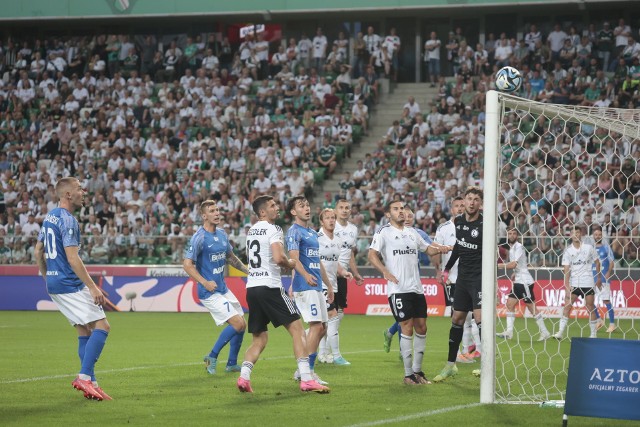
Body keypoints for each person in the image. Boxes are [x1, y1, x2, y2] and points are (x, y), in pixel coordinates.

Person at [237, 195, 328, 393]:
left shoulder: (251, 231)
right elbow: (278, 258)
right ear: (262, 212)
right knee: (297, 330)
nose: (277, 208)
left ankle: (244, 377)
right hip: (270, 287)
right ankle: (306, 378)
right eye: (272, 206)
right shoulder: (273, 229)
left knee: (259, 339)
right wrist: (290, 264)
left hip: (252, 288)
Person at [34, 177, 112, 401]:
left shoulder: (50, 217)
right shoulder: (68, 220)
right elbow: (72, 257)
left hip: (55, 284)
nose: (83, 192)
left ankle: (92, 384)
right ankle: (85, 377)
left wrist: (46, 275)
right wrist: (93, 287)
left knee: (83, 331)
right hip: (69, 283)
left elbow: (39, 249)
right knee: (103, 326)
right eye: (79, 189)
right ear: (68, 195)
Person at [368, 199, 452, 385]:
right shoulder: (383, 232)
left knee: (422, 327)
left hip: (416, 288)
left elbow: (428, 249)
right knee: (406, 326)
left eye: (403, 209)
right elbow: (372, 254)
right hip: (398, 289)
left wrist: (442, 248)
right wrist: (385, 271)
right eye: (396, 209)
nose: (401, 212)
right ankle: (408, 375)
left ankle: (418, 371)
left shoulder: (413, 233)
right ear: (388, 214)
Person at [183, 200, 248, 375]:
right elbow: (187, 265)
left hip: (223, 288)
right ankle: (212, 356)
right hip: (208, 292)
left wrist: (246, 270)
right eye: (212, 211)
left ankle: (232, 363)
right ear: (204, 216)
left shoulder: (222, 234)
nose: (217, 213)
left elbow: (231, 257)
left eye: (218, 209)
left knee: (242, 323)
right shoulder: (199, 238)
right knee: (237, 323)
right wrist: (204, 282)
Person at [433, 186, 484, 382]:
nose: (471, 203)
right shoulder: (459, 222)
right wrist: (446, 271)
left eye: (475, 199)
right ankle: (450, 365)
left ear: (480, 203)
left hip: (479, 279)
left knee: (480, 320)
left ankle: (487, 366)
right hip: (462, 279)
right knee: (456, 319)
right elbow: (457, 249)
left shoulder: (485, 224)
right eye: (468, 199)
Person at [286, 196, 335, 386]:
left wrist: (329, 285)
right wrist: (303, 276)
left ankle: (302, 367)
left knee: (323, 327)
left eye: (307, 205)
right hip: (305, 286)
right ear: (293, 212)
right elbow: (293, 259)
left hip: (316, 285)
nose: (306, 208)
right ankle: (307, 371)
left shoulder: (312, 233)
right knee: (316, 327)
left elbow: (318, 261)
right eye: (301, 206)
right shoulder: (294, 232)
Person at [382, 206, 432, 357]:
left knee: (414, 323)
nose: (408, 218)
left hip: (414, 281)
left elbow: (431, 248)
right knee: (405, 322)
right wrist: (385, 271)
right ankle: (404, 351)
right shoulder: (388, 233)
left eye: (410, 216)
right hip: (399, 283)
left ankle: (391, 333)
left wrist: (445, 250)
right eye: (405, 215)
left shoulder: (417, 233)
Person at [496, 228, 551, 341]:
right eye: (509, 233)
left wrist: (497, 265)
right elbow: (518, 265)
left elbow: (513, 265)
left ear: (517, 235)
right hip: (518, 281)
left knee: (531, 308)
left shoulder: (518, 247)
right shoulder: (511, 249)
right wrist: (514, 274)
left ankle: (545, 332)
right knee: (510, 304)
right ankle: (509, 332)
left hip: (524, 282)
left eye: (514, 233)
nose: (511, 235)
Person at [316, 208, 353, 365]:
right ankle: (336, 355)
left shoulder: (337, 240)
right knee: (333, 316)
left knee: (323, 323)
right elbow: (314, 261)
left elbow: (334, 261)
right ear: (321, 221)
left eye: (333, 218)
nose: (331, 220)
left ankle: (321, 353)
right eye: (328, 218)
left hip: (334, 285)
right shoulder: (317, 239)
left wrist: (344, 271)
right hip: (320, 285)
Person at [553, 227, 601, 340]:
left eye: (578, 232)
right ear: (570, 235)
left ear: (581, 234)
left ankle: (593, 334)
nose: (575, 234)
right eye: (573, 233)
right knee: (567, 306)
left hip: (588, 282)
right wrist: (566, 285)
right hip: (574, 283)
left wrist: (598, 278)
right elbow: (566, 268)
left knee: (590, 307)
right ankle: (560, 333)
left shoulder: (589, 248)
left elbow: (597, 262)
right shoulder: (568, 251)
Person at [332, 199, 364, 356]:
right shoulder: (330, 226)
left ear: (350, 211)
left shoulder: (353, 229)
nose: (344, 210)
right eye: (341, 208)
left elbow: (350, 254)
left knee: (339, 312)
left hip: (343, 275)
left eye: (347, 208)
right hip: (330, 274)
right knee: (330, 314)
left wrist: (356, 273)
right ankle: (327, 352)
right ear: (335, 210)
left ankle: (326, 348)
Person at [591, 226, 616, 333]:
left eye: (599, 235)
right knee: (589, 301)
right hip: (591, 278)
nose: (597, 236)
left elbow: (611, 261)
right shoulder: (590, 248)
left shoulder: (606, 247)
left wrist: (608, 272)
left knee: (606, 300)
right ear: (593, 236)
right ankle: (599, 320)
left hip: (603, 278)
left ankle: (612, 324)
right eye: (596, 234)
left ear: (602, 236)